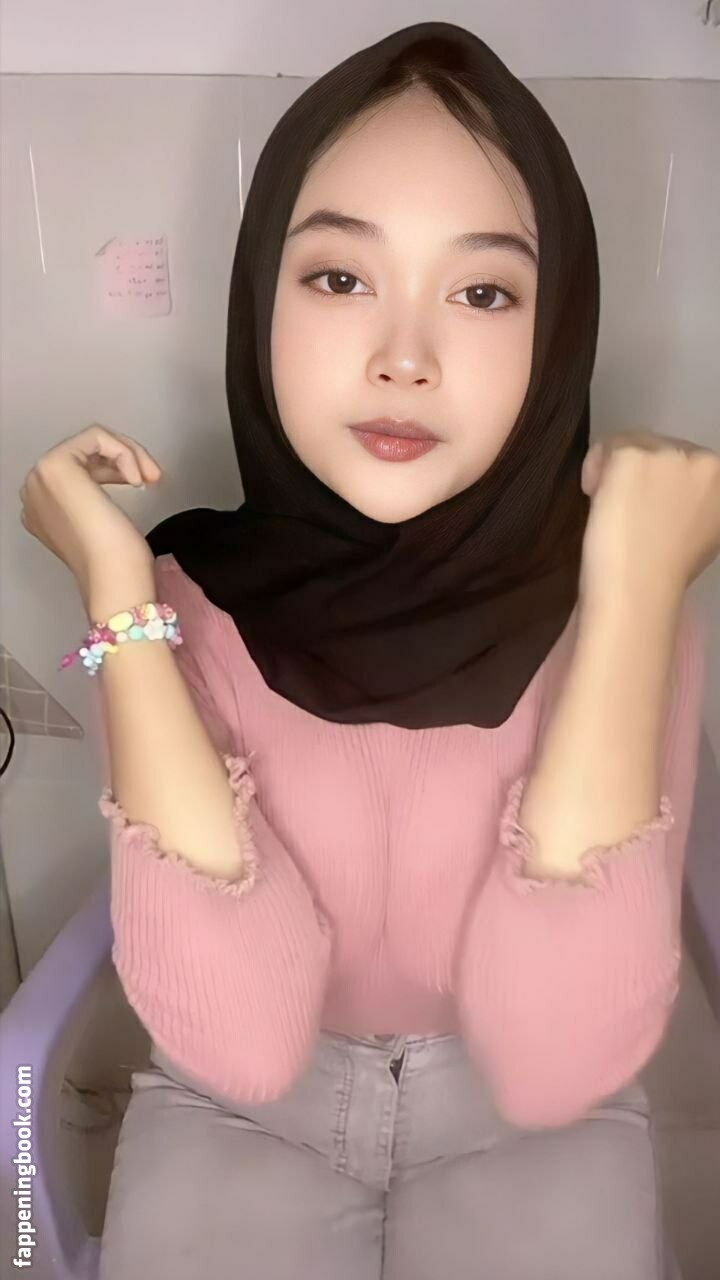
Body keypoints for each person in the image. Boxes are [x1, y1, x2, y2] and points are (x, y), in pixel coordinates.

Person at [19, 20, 720, 1280]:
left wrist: (629, 597)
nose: (404, 357)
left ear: (558, 331)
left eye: (484, 291)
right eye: (340, 277)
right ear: (261, 299)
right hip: (234, 1106)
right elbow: (236, 1037)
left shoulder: (628, 590)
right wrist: (115, 589)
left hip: (531, 1120)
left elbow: (555, 1056)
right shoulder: (170, 596)